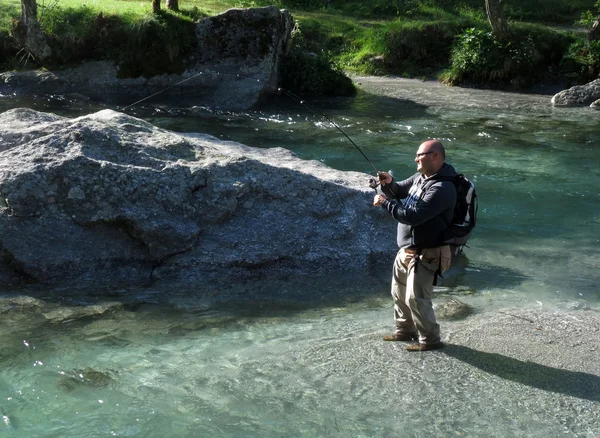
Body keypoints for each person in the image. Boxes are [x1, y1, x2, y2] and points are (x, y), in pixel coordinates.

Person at [373, 139, 456, 351]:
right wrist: (389, 183)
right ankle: (404, 331)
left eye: (420, 155)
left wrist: (384, 202)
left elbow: (412, 217)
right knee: (398, 293)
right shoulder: (421, 177)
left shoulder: (443, 187)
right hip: (407, 250)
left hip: (429, 252)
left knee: (416, 298)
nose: (415, 158)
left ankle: (430, 341)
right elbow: (399, 190)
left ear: (435, 156)